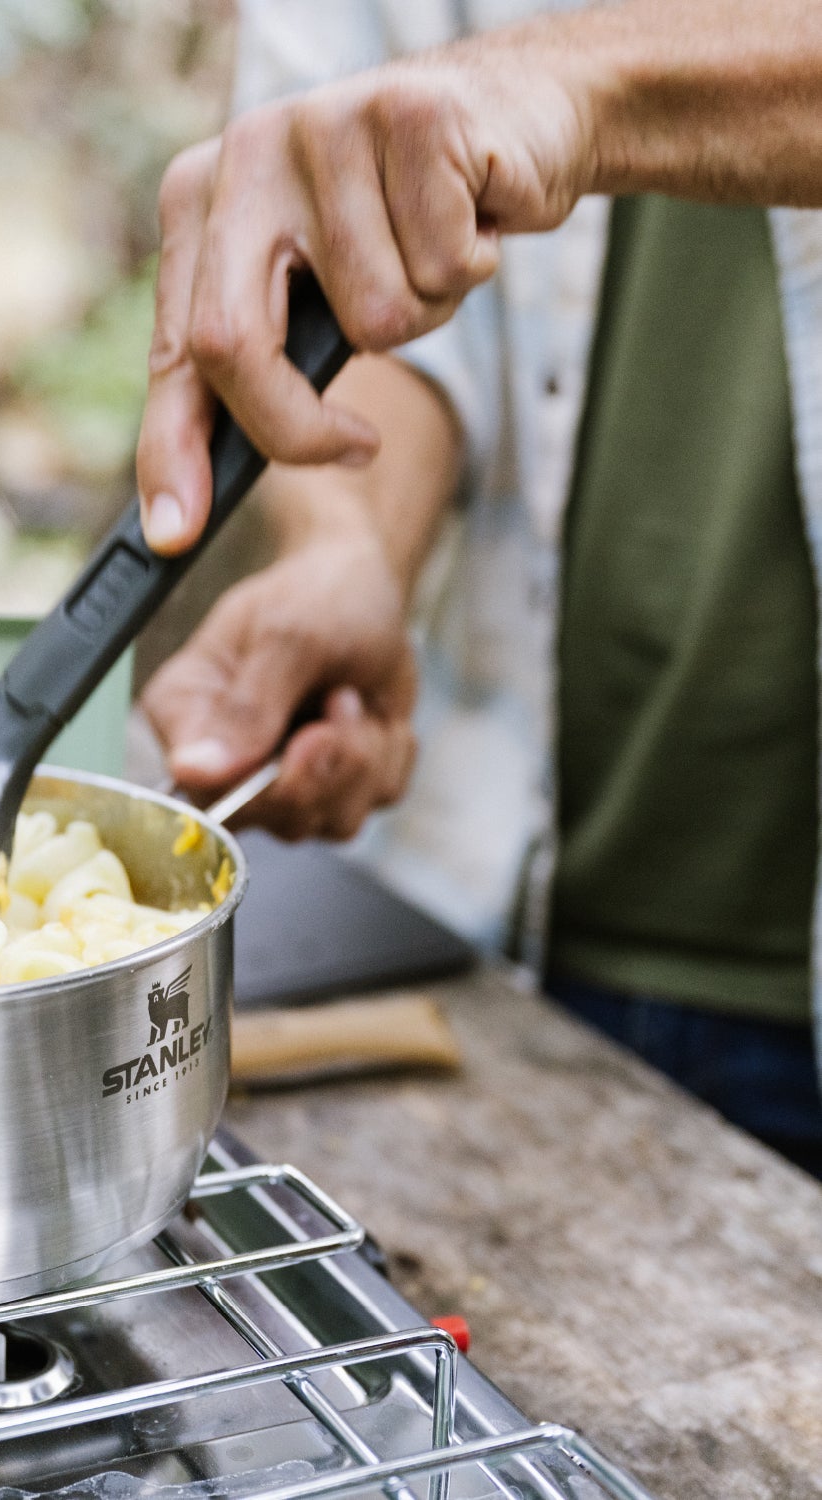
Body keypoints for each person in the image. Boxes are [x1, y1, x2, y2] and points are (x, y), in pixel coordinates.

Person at [136, 0, 822, 1174]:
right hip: (506, 925)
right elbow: (377, 267)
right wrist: (352, 545)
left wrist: (585, 83)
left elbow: (515, 96)